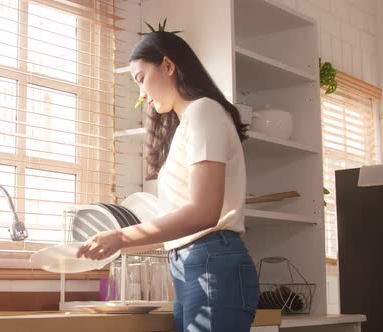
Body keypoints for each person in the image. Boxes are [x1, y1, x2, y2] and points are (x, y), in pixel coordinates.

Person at [76, 31, 259, 332]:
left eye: (141, 78)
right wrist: (116, 244)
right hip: (193, 263)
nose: (142, 94)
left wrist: (120, 237)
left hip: (210, 261)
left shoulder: (204, 112)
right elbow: (181, 224)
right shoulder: (191, 122)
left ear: (168, 66)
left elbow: (203, 213)